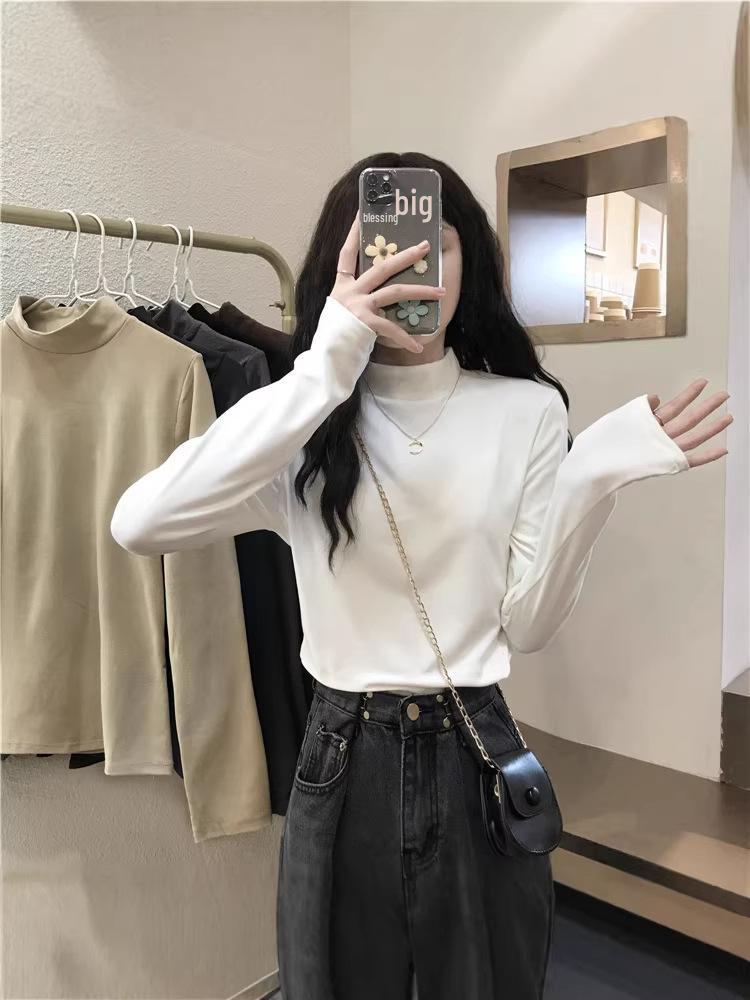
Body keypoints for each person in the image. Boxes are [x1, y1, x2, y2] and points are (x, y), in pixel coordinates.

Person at [110, 152, 731, 1000]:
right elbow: (140, 523)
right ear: (342, 267)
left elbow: (528, 626)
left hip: (474, 747)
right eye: (384, 246)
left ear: (468, 263)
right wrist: (325, 368)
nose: (411, 265)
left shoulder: (525, 410)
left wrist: (594, 476)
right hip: (341, 754)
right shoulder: (299, 423)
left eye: (435, 244)